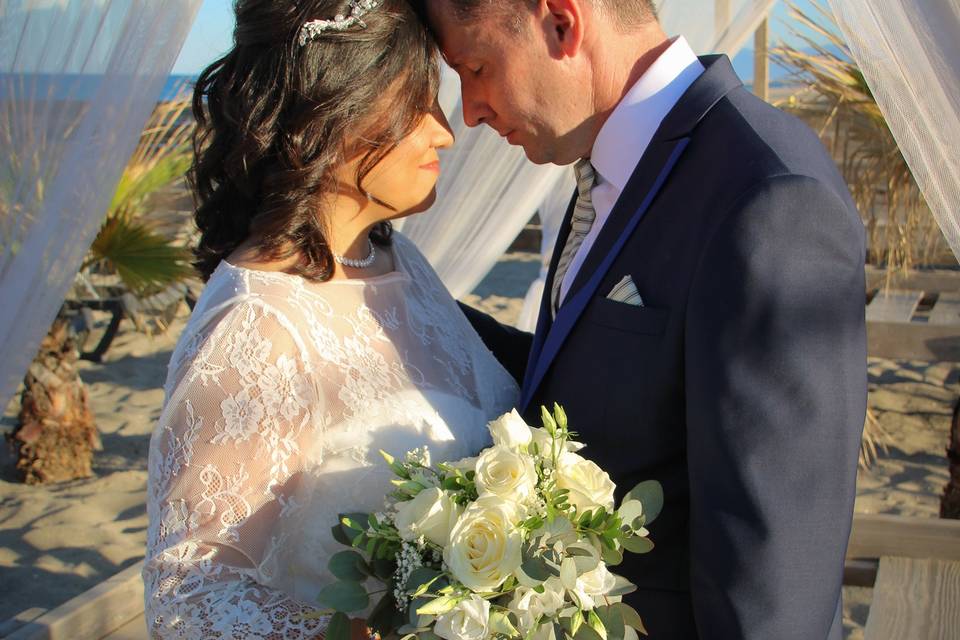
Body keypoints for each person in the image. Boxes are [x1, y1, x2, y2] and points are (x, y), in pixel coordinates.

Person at [421, 1, 868, 638]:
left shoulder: (768, 198)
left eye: (476, 66)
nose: (471, 110)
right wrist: (403, 305)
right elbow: (589, 373)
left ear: (560, 22)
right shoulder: (616, 168)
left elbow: (774, 576)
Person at [142, 1, 519, 637]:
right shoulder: (256, 325)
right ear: (330, 113)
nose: (444, 131)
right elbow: (190, 593)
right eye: (414, 104)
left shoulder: (398, 261)